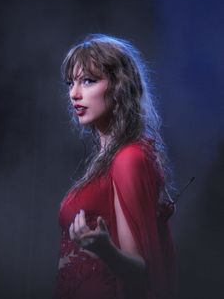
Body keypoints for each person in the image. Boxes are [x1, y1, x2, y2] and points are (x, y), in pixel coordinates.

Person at [54, 34, 176, 299]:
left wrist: (105, 250)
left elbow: (143, 272)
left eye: (88, 81)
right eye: (71, 83)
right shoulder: (107, 158)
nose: (74, 94)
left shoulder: (128, 158)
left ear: (119, 86)